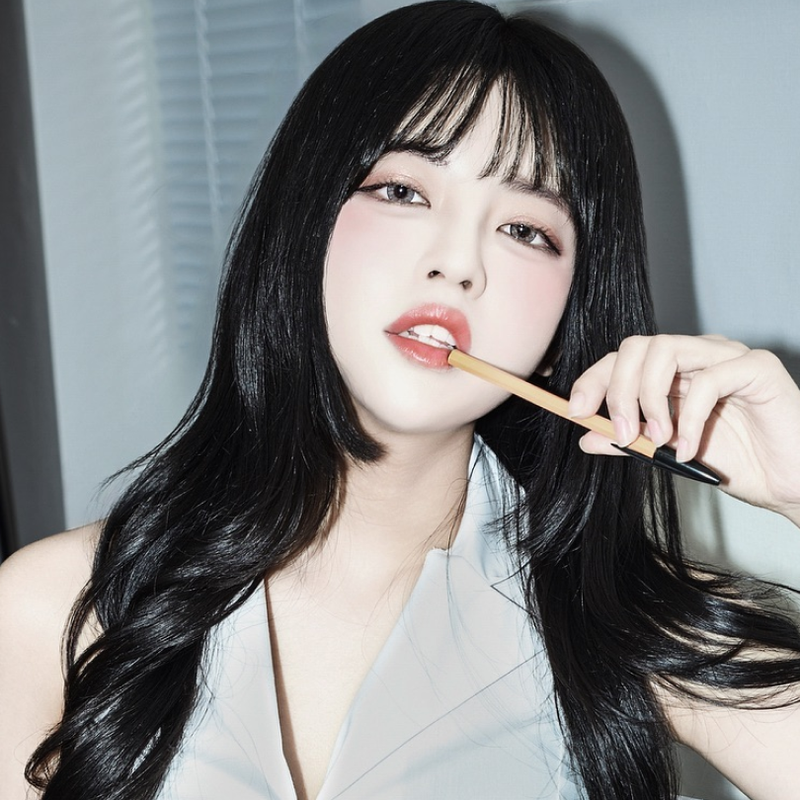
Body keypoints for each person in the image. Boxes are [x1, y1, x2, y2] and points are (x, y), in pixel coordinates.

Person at [2, 1, 800, 798]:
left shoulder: (627, 627)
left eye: (526, 231)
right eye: (402, 190)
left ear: (569, 319)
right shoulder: (50, 609)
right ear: (304, 222)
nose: (457, 264)